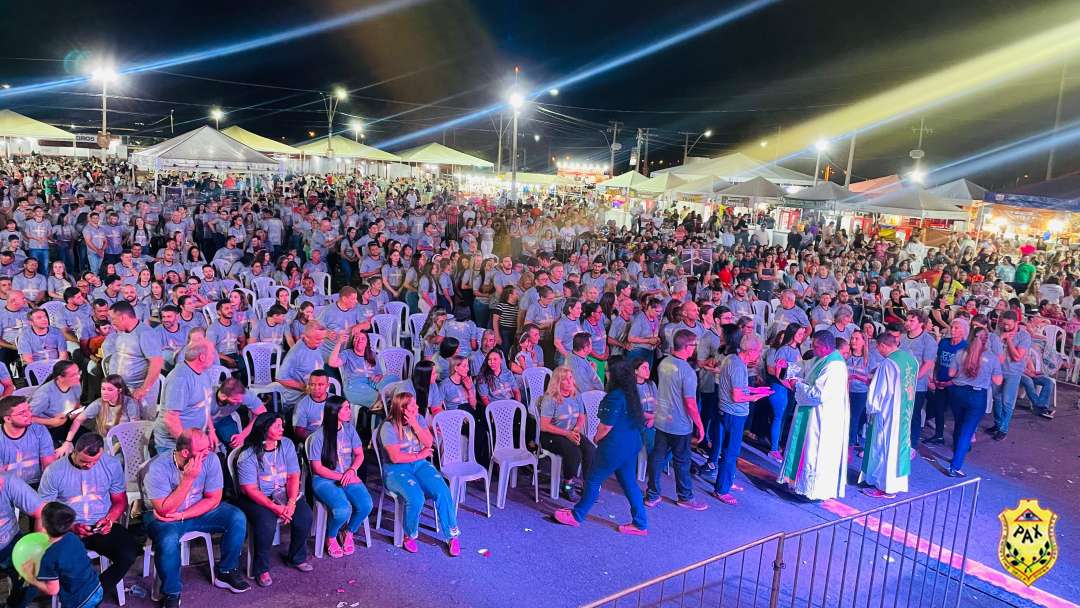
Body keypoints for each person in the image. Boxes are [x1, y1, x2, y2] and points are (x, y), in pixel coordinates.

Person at [141, 429, 250, 608]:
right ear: (185, 453)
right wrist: (187, 480)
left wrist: (185, 514)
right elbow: (166, 510)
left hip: (194, 512)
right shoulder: (157, 468)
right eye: (202, 450)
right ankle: (172, 593)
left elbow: (214, 498)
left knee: (236, 517)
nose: (208, 452)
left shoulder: (211, 459)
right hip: (164, 518)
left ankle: (226, 571)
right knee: (167, 541)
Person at [553, 358, 647, 535]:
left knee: (594, 479)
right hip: (632, 444)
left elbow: (606, 427)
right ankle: (640, 523)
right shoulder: (631, 393)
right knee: (629, 484)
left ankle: (577, 515)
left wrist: (596, 437)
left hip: (614, 446)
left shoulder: (614, 397)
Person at [37, 433, 135, 600]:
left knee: (128, 553)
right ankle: (82, 597)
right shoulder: (54, 471)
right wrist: (72, 527)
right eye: (84, 461)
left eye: (94, 462)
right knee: (69, 564)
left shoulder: (111, 465)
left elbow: (120, 501)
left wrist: (109, 519)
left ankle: (94, 594)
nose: (89, 466)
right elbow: (46, 511)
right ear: (74, 452)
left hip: (100, 524)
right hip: (66, 529)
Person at [236, 412, 313, 585]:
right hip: (257, 497)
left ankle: (296, 557)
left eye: (282, 424)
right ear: (264, 429)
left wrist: (292, 502)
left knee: (304, 515)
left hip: (283, 492)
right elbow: (250, 489)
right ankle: (261, 569)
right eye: (277, 425)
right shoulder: (248, 455)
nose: (282, 428)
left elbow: (294, 476)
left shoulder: (286, 444)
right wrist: (275, 508)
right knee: (266, 524)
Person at [379, 392, 460, 555]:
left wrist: (415, 424)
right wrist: (419, 454)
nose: (417, 407)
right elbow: (395, 458)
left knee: (442, 491)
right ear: (402, 409)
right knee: (416, 497)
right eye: (413, 406)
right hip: (396, 470)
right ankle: (409, 535)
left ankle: (452, 536)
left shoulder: (419, 419)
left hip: (419, 465)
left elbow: (429, 442)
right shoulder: (388, 427)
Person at [778, 330, 850, 501]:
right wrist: (788, 366)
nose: (812, 349)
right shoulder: (822, 358)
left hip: (822, 418)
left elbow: (819, 394)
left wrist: (798, 384)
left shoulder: (835, 366)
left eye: (815, 346)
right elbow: (805, 366)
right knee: (805, 448)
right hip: (810, 413)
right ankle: (797, 483)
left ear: (825, 347)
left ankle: (813, 491)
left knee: (814, 452)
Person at [645, 329, 707, 510]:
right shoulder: (687, 372)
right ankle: (685, 497)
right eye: (694, 345)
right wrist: (700, 425)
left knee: (657, 457)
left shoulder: (664, 363)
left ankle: (652, 494)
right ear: (687, 347)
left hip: (662, 419)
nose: (695, 349)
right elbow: (690, 403)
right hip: (680, 425)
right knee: (682, 461)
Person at [306, 397, 372, 559]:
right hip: (324, 479)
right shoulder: (318, 436)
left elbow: (359, 454)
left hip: (347, 475)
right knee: (342, 510)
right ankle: (331, 536)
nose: (350, 411)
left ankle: (348, 532)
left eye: (349, 407)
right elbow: (317, 468)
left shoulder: (349, 429)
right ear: (334, 412)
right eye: (346, 408)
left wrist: (352, 471)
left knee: (366, 505)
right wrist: (343, 475)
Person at [711, 334, 771, 506]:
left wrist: (756, 390)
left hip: (726, 411)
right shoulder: (738, 367)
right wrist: (754, 398)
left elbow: (737, 387)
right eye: (758, 352)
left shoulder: (731, 358)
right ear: (751, 351)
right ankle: (722, 489)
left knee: (726, 450)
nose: (759, 355)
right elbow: (737, 396)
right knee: (731, 452)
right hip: (734, 413)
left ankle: (724, 481)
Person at [859, 332, 919, 498]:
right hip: (904, 413)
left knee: (885, 447)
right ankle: (895, 484)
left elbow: (879, 391)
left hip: (888, 413)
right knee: (899, 447)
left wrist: (871, 408)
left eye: (878, 347)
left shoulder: (888, 364)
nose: (878, 351)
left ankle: (885, 487)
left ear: (883, 346)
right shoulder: (911, 360)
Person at [19, 502, 104, 608]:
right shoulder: (72, 537)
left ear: (44, 527)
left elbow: (52, 590)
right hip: (96, 588)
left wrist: (31, 579)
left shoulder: (48, 557)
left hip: (78, 601)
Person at [945, 326, 1003, 477]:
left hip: (957, 392)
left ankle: (956, 452)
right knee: (968, 430)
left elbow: (951, 373)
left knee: (958, 423)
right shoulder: (991, 358)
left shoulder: (959, 353)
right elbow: (997, 381)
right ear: (986, 341)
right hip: (977, 396)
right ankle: (955, 466)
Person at [538, 366, 596, 500]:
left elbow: (582, 416)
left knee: (590, 449)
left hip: (571, 431)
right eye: (565, 379)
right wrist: (567, 434)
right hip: (551, 435)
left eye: (571, 378)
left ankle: (587, 483)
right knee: (574, 452)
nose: (570, 382)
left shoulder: (576, 394)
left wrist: (576, 430)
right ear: (558, 382)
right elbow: (544, 426)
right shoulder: (550, 399)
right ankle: (568, 484)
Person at [153, 339, 219, 454]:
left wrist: (211, 430)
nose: (214, 357)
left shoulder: (204, 374)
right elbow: (170, 420)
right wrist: (191, 446)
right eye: (212, 353)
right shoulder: (180, 379)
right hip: (173, 445)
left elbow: (205, 406)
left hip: (196, 440)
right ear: (202, 357)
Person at [0, 471, 44, 608]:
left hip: (9, 542)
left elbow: (42, 512)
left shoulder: (7, 481)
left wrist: (35, 553)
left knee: (36, 574)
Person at [988, 310, 1030, 441]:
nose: (1005, 327)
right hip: (998, 370)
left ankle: (1003, 429)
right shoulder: (998, 332)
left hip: (1013, 372)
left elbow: (1017, 357)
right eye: (1003, 324)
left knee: (1007, 400)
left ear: (1016, 322)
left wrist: (1009, 340)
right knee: (997, 398)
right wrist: (1000, 338)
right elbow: (992, 350)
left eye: (1008, 325)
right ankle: (998, 423)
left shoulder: (1024, 336)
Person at [899, 310, 936, 452]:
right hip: (899, 382)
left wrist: (912, 380)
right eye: (906, 320)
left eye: (911, 321)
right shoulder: (902, 337)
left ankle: (912, 445)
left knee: (913, 415)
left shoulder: (928, 341)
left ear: (921, 323)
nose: (907, 323)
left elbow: (927, 364)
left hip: (916, 385)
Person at [0, 394, 56, 487]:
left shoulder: (39, 430)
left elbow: (49, 465)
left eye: (29, 410)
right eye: (22, 413)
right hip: (8, 487)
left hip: (38, 483)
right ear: (8, 419)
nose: (30, 414)